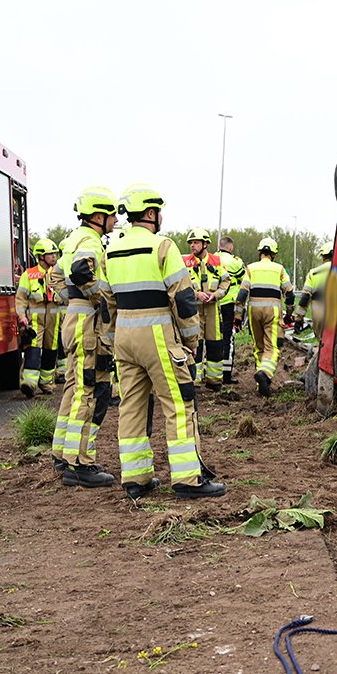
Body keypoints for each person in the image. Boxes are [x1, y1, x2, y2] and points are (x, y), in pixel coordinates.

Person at [107, 185, 224, 499]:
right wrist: (191, 340)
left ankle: (135, 479)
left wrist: (111, 339)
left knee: (131, 406)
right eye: (159, 211)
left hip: (124, 335)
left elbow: (107, 300)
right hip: (157, 334)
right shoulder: (162, 246)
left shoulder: (112, 249)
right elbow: (184, 299)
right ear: (150, 213)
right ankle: (188, 479)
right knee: (179, 403)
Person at [50, 187, 119, 488]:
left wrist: (73, 300)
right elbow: (80, 272)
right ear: (98, 215)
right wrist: (100, 301)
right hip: (87, 323)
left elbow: (56, 276)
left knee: (73, 387)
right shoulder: (89, 240)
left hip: (75, 318)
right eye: (113, 214)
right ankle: (79, 464)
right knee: (86, 389)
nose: (116, 220)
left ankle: (63, 454)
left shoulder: (71, 239)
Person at [235, 237, 293, 397]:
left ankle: (262, 382)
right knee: (272, 347)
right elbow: (290, 294)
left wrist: (238, 316)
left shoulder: (251, 268)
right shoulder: (279, 269)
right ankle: (265, 373)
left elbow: (242, 294)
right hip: (272, 311)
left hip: (254, 311)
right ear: (273, 254)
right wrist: (288, 314)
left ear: (260, 252)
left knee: (258, 346)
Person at [183, 228, 231, 391]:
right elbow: (181, 286)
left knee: (215, 343)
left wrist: (216, 294)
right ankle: (193, 380)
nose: (192, 246)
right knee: (194, 343)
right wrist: (197, 295)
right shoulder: (185, 263)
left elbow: (226, 281)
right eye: (191, 243)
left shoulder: (216, 261)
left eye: (196, 242)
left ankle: (214, 381)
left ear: (205, 244)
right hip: (193, 310)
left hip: (212, 309)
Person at [15, 238, 63, 398]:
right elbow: (21, 298)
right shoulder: (28, 275)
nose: (54, 257)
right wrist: (22, 316)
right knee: (34, 349)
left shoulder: (58, 274)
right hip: (35, 320)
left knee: (51, 351)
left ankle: (46, 383)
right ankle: (29, 384)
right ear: (41, 256)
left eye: (55, 254)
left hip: (54, 320)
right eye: (50, 254)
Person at [214, 236, 246, 385]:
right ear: (231, 248)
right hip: (229, 305)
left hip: (212, 304)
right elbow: (244, 281)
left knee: (212, 338)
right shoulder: (235, 262)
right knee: (228, 338)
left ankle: (212, 373)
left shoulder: (211, 259)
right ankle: (226, 374)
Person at [294, 242, 333, 340]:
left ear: (323, 256)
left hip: (318, 309)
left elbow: (305, 298)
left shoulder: (313, 273)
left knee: (321, 340)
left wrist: (299, 319)